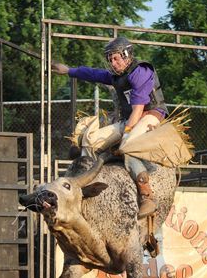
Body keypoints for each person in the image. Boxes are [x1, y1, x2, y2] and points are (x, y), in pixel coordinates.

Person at [51, 37, 168, 219]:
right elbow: (93, 74)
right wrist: (68, 70)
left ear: (127, 55)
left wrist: (126, 134)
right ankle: (88, 181)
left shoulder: (141, 72)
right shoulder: (116, 76)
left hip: (150, 115)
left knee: (128, 146)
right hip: (131, 119)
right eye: (110, 59)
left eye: (116, 58)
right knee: (90, 140)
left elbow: (138, 110)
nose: (113, 63)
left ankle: (147, 196)